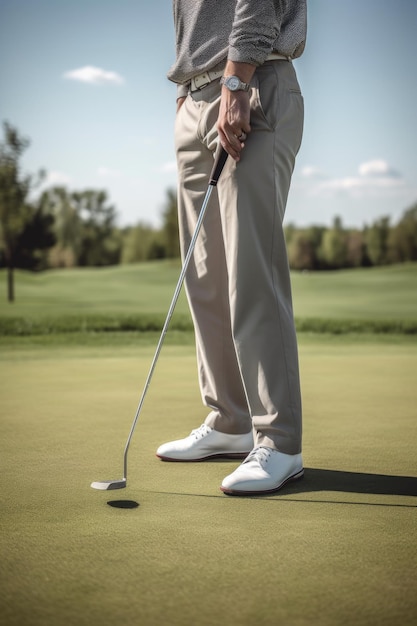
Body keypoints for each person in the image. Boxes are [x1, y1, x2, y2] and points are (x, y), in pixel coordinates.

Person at [156, 0, 307, 496]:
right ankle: (230, 421)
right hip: (196, 97)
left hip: (250, 85)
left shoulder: (244, 81)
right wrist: (186, 91)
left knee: (249, 272)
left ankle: (280, 441)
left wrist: (237, 79)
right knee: (205, 276)